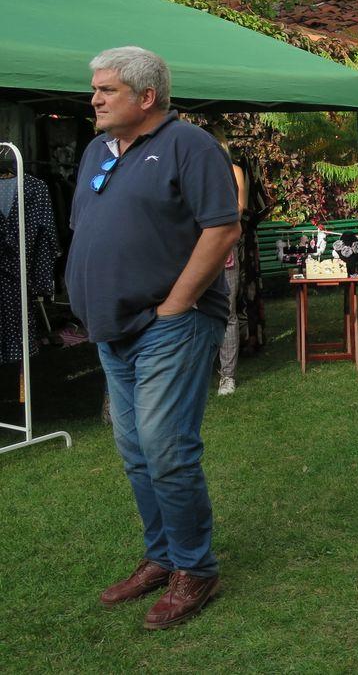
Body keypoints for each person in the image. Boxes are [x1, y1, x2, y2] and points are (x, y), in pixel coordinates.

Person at [67, 47, 240, 629]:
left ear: (146, 97)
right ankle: (162, 557)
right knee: (136, 450)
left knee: (166, 447)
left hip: (169, 325)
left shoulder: (191, 146)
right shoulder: (98, 150)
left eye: (106, 90)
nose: (94, 98)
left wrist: (177, 304)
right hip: (113, 328)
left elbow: (222, 228)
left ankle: (196, 568)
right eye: (95, 89)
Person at [212, 128, 249, 396]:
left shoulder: (234, 171)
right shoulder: (189, 170)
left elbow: (238, 209)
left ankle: (227, 375)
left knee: (227, 314)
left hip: (223, 249)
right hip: (191, 252)